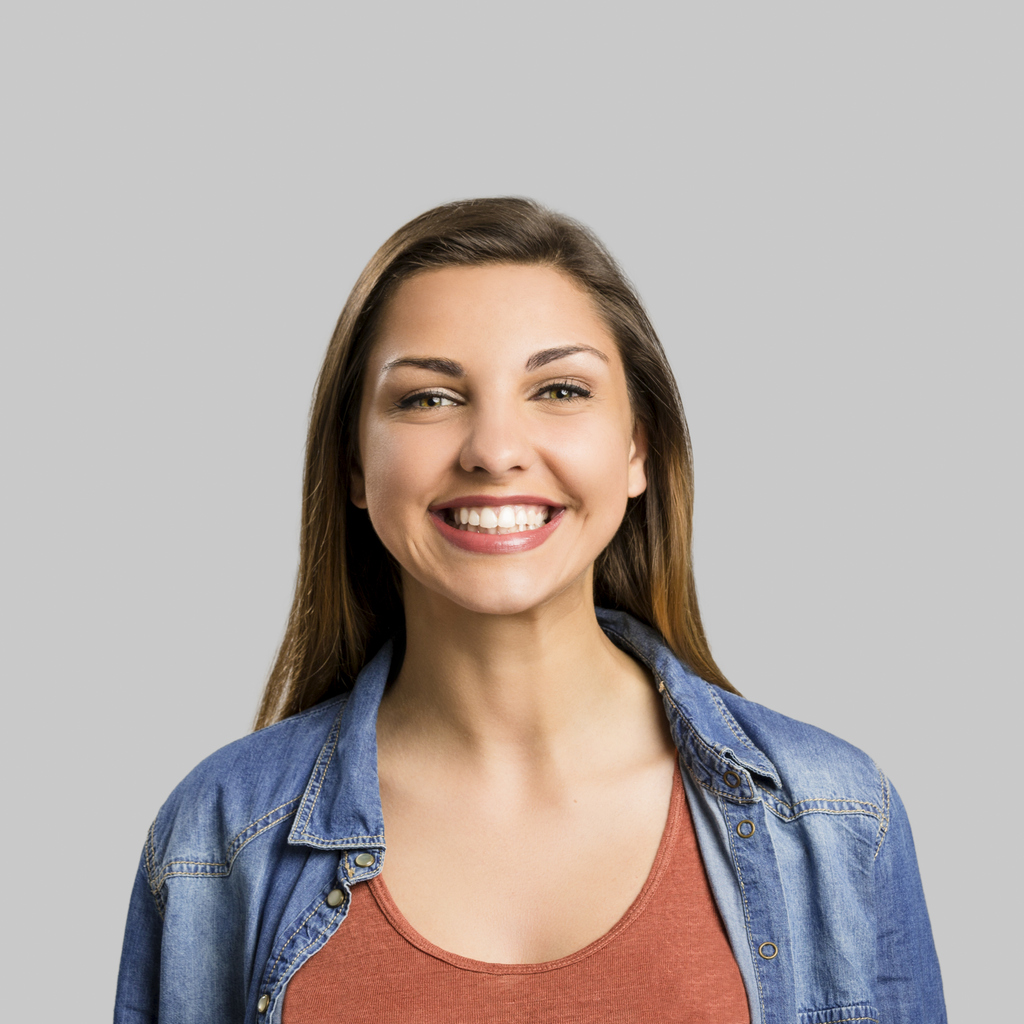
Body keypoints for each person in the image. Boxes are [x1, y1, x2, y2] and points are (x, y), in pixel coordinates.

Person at [114, 197, 946, 1023]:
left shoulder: (837, 820)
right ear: (357, 467)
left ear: (637, 448)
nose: (495, 450)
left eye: (559, 389)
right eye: (429, 399)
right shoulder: (216, 842)